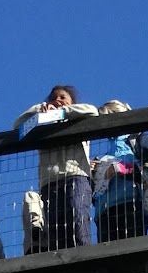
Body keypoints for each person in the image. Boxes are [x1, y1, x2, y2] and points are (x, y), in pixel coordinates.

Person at [14, 84, 98, 248]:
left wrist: (63, 112)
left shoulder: (79, 120)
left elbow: (93, 110)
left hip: (76, 177)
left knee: (78, 221)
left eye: (62, 97)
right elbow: (17, 126)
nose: (57, 100)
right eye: (53, 98)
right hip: (49, 183)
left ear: (72, 102)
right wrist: (39, 110)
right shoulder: (41, 126)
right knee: (55, 232)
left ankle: (85, 261)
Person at [91, 101, 148, 243]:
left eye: (108, 119)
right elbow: (94, 195)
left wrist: (120, 169)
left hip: (132, 206)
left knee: (133, 254)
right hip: (104, 212)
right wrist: (93, 175)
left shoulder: (140, 142)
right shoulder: (103, 157)